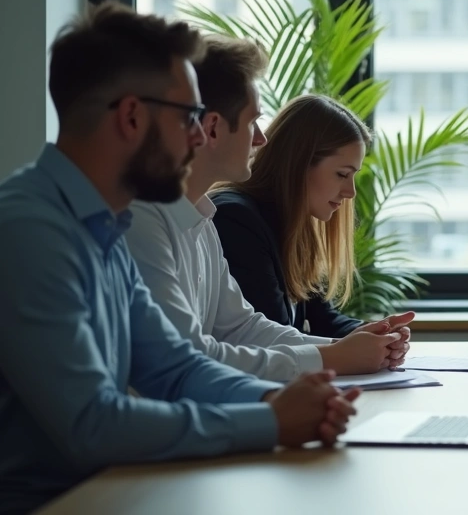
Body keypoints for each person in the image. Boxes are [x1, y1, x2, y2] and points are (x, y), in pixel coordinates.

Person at [0, 1, 358, 513]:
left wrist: (276, 403)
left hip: (117, 489)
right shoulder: (30, 230)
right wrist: (273, 420)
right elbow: (91, 424)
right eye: (190, 116)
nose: (199, 135)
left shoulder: (103, 225)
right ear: (131, 116)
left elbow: (175, 367)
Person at [126, 35, 409, 381]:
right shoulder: (143, 220)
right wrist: (333, 357)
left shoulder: (202, 222)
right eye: (251, 123)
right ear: (213, 127)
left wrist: (346, 349)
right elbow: (191, 358)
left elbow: (244, 328)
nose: (261, 139)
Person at [210, 95, 408, 339]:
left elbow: (322, 319)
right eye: (341, 174)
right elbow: (274, 339)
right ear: (298, 164)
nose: (351, 192)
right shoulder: (237, 220)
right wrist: (353, 350)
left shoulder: (292, 224)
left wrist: (376, 334)